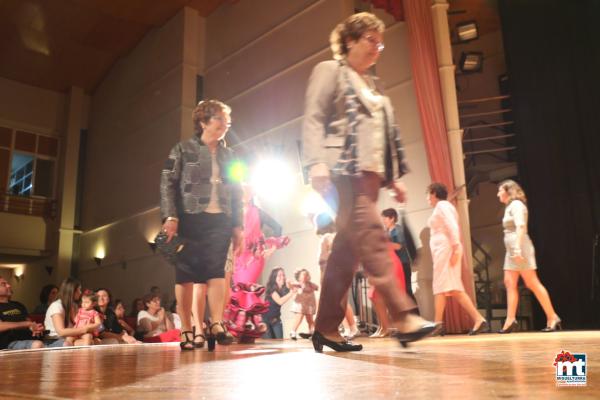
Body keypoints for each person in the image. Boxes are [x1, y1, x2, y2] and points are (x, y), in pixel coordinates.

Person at [302, 12, 437, 352]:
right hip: (340, 173)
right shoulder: (330, 71)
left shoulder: (374, 86)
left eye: (381, 42)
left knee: (345, 256)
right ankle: (404, 315)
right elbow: (315, 118)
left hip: (370, 178)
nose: (378, 48)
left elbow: (381, 139)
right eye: (371, 40)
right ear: (350, 40)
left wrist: (393, 179)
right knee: (374, 236)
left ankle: (326, 329)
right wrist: (315, 162)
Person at [160, 99, 242, 350]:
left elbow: (237, 190)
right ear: (203, 121)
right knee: (185, 275)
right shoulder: (182, 149)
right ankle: (186, 329)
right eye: (219, 118)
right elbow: (167, 183)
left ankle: (216, 323)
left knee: (216, 271)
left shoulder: (230, 155)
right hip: (189, 218)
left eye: (227, 120)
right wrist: (170, 217)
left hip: (221, 219)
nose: (225, 123)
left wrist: (238, 225)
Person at [496, 180, 561, 333]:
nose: (498, 193)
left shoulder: (517, 205)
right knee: (509, 282)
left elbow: (521, 226)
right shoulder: (509, 207)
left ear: (508, 191)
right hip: (511, 250)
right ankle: (510, 319)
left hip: (520, 247)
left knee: (532, 283)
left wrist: (517, 248)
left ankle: (552, 317)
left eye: (500, 190)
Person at [426, 183, 487, 335]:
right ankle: (477, 319)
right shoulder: (445, 206)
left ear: (433, 193)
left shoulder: (442, 206)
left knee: (442, 286)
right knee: (452, 288)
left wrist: (456, 247)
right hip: (445, 249)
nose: (427, 198)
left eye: (428, 194)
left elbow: (452, 226)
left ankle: (438, 324)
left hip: (446, 250)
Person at [44, 278, 100, 347]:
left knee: (97, 341)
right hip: (55, 339)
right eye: (79, 289)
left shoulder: (74, 306)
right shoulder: (56, 306)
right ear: (72, 291)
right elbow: (61, 332)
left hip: (70, 337)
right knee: (88, 343)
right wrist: (85, 329)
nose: (80, 292)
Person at [0, 277, 49, 350]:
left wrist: (35, 328)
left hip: (31, 340)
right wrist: (26, 324)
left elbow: (29, 322)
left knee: (66, 343)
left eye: (8, 283)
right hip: (9, 343)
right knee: (37, 345)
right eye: (3, 284)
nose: (9, 286)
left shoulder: (18, 305)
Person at [381, 208, 417, 301]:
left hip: (403, 264)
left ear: (392, 218)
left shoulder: (398, 230)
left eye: (385, 219)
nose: (383, 221)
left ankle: (415, 315)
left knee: (407, 292)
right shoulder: (386, 231)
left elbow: (399, 246)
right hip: (393, 266)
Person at [262, 267, 296, 339]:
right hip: (265, 321)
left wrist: (289, 283)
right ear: (274, 278)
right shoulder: (271, 289)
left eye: (283, 275)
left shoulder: (283, 289)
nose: (282, 277)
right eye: (279, 275)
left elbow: (291, 289)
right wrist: (291, 292)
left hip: (276, 320)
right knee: (268, 343)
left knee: (279, 341)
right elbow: (280, 301)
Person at [289, 269, 319, 340]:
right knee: (299, 317)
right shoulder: (298, 284)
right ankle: (293, 331)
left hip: (309, 304)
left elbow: (318, 288)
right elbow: (290, 286)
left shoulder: (311, 284)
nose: (305, 276)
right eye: (303, 274)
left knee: (310, 320)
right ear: (299, 277)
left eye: (307, 274)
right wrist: (288, 283)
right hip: (301, 305)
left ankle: (312, 332)